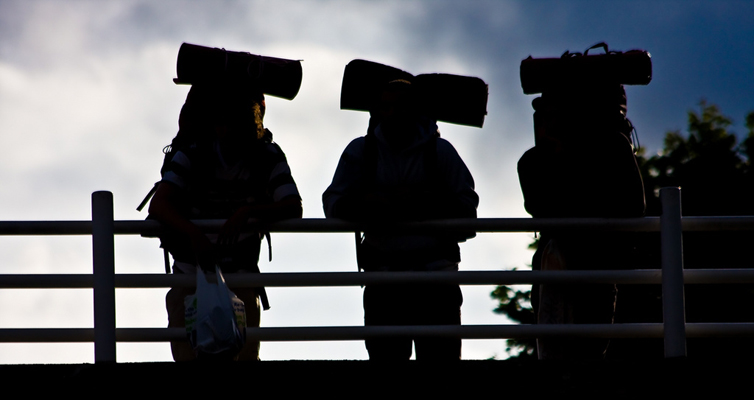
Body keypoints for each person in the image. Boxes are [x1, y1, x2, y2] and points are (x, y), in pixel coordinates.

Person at [323, 79, 479, 361]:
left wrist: (422, 203)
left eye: (401, 106)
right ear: (378, 111)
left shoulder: (440, 152)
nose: (394, 113)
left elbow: (468, 215)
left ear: (416, 110)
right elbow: (333, 204)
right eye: (387, 106)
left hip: (434, 282)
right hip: (386, 282)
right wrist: (368, 205)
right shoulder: (362, 152)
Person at [149, 82, 302, 361]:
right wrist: (194, 234)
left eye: (236, 123)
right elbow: (159, 204)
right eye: (222, 122)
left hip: (237, 273)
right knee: (190, 360)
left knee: (242, 361)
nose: (227, 130)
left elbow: (293, 207)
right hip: (191, 270)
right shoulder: (194, 154)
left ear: (252, 124)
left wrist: (245, 214)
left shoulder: (267, 156)